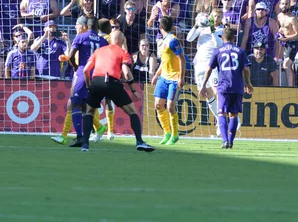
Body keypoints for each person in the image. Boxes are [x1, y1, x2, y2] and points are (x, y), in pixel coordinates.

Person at [79, 30, 154, 152]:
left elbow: (86, 70)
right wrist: (133, 90)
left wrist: (89, 87)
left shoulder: (98, 51)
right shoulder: (123, 52)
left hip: (96, 82)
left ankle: (85, 145)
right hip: (112, 82)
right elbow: (126, 72)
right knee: (132, 112)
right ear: (123, 41)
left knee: (89, 112)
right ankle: (139, 142)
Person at [201, 27, 254, 149]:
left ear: (222, 38)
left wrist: (203, 85)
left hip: (223, 87)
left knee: (221, 113)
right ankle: (230, 142)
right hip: (237, 86)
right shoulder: (240, 51)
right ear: (234, 38)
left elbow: (209, 69)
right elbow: (246, 68)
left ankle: (224, 140)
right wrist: (248, 83)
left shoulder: (218, 51)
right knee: (233, 114)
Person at [62, 16, 109, 148]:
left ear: (87, 26)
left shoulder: (81, 37)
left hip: (83, 74)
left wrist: (76, 67)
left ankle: (80, 137)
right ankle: (88, 136)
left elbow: (70, 56)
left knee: (75, 105)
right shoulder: (103, 41)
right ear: (97, 27)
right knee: (88, 108)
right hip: (98, 76)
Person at [151, 16, 185, 145]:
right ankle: (167, 133)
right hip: (163, 77)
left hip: (174, 78)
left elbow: (182, 59)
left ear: (160, 28)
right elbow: (165, 61)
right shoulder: (163, 40)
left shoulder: (173, 41)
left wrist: (181, 77)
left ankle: (175, 135)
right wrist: (156, 75)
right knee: (158, 105)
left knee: (170, 107)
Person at [186, 11, 222, 131]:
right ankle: (220, 120)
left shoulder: (221, 30)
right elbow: (189, 38)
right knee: (206, 93)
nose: (215, 18)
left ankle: (229, 116)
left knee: (217, 91)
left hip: (212, 65)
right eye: (214, 16)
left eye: (218, 16)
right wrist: (196, 25)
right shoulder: (201, 28)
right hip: (199, 65)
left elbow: (218, 44)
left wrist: (212, 30)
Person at [276, 0, 298, 87]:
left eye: (286, 4)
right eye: (283, 4)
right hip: (284, 42)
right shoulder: (279, 16)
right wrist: (279, 34)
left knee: (286, 64)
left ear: (289, 5)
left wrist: (286, 38)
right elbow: (281, 28)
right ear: (279, 5)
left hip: (293, 42)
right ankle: (289, 85)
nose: (284, 6)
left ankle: (291, 87)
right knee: (283, 64)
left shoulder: (293, 18)